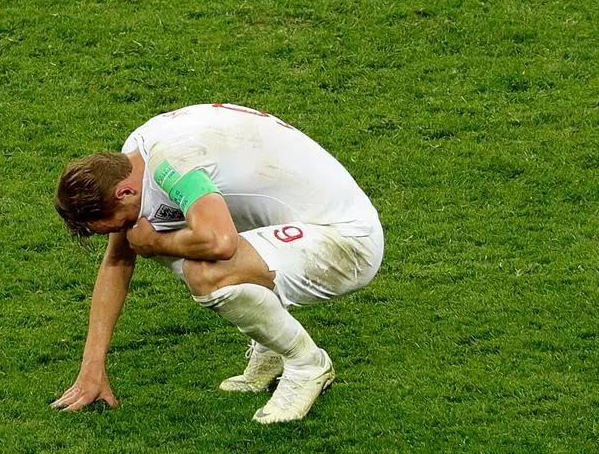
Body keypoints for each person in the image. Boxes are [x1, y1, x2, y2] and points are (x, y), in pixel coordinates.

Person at [50, 103, 383, 423]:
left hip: (347, 242)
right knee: (171, 231)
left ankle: (306, 364)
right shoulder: (134, 159)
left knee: (205, 270)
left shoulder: (173, 164)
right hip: (299, 223)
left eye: (119, 224)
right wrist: (91, 368)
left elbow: (221, 242)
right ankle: (270, 348)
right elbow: (117, 261)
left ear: (123, 193)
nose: (126, 233)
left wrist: (155, 242)